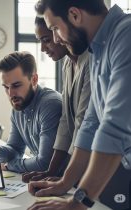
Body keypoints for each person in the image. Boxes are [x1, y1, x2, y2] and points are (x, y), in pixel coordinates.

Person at [27, 0, 131, 210]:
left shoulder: (127, 35)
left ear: (75, 15)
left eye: (55, 28)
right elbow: (91, 122)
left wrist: (77, 202)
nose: (56, 38)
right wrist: (65, 183)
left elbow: (115, 127)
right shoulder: (98, 49)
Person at [22, 17, 90, 182]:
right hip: (79, 160)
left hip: (98, 157)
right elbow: (66, 121)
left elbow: (83, 124)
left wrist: (66, 180)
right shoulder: (67, 64)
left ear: (61, 32)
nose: (43, 48)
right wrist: (50, 171)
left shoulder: (90, 61)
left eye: (46, 40)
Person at [0, 51, 62, 173]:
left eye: (16, 85)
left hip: (68, 184)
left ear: (34, 79)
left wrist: (8, 166)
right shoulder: (18, 107)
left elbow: (45, 163)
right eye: (6, 87)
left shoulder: (50, 104)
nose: (11, 94)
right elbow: (15, 150)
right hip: (46, 179)